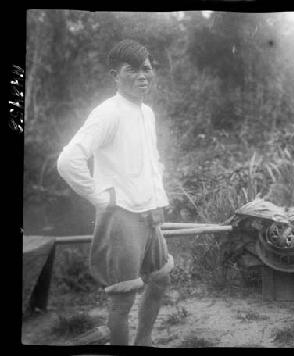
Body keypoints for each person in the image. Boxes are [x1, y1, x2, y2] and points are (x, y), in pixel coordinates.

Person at [57, 39, 174, 346]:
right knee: (123, 298)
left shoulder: (146, 112)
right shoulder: (108, 112)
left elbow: (153, 161)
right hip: (121, 216)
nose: (142, 75)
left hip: (149, 211)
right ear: (114, 75)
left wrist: (158, 200)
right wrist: (99, 196)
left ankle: (144, 341)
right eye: (131, 70)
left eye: (146, 68)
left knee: (160, 279)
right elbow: (69, 160)